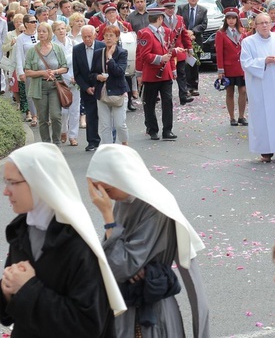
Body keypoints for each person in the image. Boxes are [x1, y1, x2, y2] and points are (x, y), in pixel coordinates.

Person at [0, 143, 126, 335]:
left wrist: (28, 288)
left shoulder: (77, 243)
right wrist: (6, 291)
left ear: (38, 182)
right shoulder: (21, 230)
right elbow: (12, 308)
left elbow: (88, 325)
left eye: (12, 182)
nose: (5, 191)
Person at [87, 145, 210, 338]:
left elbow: (122, 266)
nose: (104, 196)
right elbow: (117, 261)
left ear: (123, 177)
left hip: (151, 312)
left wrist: (107, 218)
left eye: (107, 189)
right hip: (129, 304)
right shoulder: (123, 201)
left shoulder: (154, 206)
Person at [240, 12, 275, 163]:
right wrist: (263, 61)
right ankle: (265, 150)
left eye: (267, 22)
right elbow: (245, 62)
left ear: (271, 23)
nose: (264, 25)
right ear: (255, 25)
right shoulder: (248, 42)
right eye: (261, 23)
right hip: (260, 85)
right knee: (262, 117)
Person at [136, 7, 177, 141]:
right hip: (152, 74)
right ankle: (152, 129)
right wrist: (160, 58)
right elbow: (144, 55)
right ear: (160, 18)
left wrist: (173, 69)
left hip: (165, 74)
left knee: (168, 101)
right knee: (150, 103)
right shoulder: (145, 33)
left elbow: (168, 51)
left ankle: (167, 130)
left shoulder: (166, 31)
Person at [23, 22, 68, 144]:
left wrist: (54, 71)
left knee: (56, 116)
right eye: (39, 31)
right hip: (39, 87)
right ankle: (46, 144)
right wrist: (42, 73)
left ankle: (57, 143)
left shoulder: (57, 48)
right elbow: (27, 72)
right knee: (43, 119)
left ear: (49, 33)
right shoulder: (32, 51)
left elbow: (65, 67)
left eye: (44, 31)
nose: (41, 34)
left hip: (54, 86)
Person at [92, 25, 129, 146]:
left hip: (118, 91)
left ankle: (124, 143)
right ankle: (107, 148)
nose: (108, 38)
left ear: (117, 38)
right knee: (105, 124)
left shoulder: (122, 52)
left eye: (111, 36)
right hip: (102, 91)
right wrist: (97, 77)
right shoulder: (97, 53)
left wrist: (110, 57)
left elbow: (119, 71)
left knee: (119, 124)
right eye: (106, 35)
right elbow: (91, 73)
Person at [73, 25, 105, 151]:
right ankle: (92, 141)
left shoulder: (102, 46)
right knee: (91, 115)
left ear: (94, 35)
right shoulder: (77, 49)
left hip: (102, 86)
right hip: (87, 88)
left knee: (105, 115)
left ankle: (108, 141)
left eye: (89, 36)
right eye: (84, 37)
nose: (87, 39)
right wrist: (86, 87)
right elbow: (77, 73)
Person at [215, 7, 248, 125]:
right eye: (228, 18)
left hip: (241, 67)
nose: (231, 20)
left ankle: (241, 116)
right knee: (230, 92)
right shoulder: (221, 33)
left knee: (243, 91)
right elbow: (219, 52)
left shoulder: (243, 32)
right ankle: (232, 117)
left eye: (233, 18)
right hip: (228, 68)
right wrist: (220, 70)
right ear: (226, 19)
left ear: (237, 19)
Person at [52, 20, 80, 146]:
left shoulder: (74, 43)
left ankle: (73, 136)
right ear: (54, 32)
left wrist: (77, 76)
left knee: (75, 109)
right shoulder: (52, 46)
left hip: (74, 79)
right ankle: (63, 130)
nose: (61, 31)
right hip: (61, 81)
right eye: (58, 29)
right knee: (63, 110)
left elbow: (79, 62)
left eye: (63, 28)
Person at [162, 0, 193, 106]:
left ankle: (183, 96)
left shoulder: (179, 18)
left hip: (178, 50)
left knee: (182, 74)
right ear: (164, 9)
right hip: (166, 51)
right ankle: (167, 96)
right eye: (168, 8)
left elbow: (184, 34)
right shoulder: (160, 19)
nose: (171, 10)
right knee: (168, 75)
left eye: (172, 8)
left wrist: (189, 47)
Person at [177, 0, 207, 97]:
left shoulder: (203, 10)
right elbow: (179, 22)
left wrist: (193, 31)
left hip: (196, 40)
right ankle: (186, 87)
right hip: (184, 40)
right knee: (185, 65)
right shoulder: (181, 8)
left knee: (194, 64)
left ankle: (194, 87)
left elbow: (203, 25)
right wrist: (186, 33)